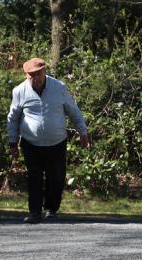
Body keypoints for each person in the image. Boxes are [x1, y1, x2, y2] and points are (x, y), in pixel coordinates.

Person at [7, 57, 91, 224]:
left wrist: (83, 132)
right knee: (34, 178)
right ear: (25, 75)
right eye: (31, 75)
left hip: (57, 142)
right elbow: (13, 117)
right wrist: (12, 141)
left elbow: (73, 111)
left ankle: (52, 209)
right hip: (31, 143)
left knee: (56, 177)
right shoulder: (19, 91)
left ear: (45, 71)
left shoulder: (58, 87)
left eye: (38, 74)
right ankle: (34, 212)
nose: (35, 78)